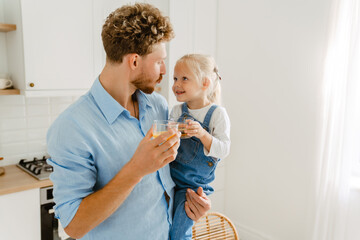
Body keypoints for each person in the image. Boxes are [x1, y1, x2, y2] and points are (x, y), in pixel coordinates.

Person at [46, 4, 211, 240]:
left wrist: (192, 202)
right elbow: (73, 226)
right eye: (158, 62)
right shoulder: (71, 127)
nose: (165, 69)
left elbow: (164, 184)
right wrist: (136, 169)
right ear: (134, 61)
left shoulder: (158, 106)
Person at [169, 54, 231, 240]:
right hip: (170, 178)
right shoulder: (177, 111)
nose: (176, 84)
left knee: (179, 233)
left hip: (191, 187)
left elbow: (223, 149)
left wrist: (202, 134)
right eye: (175, 78)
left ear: (205, 83)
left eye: (184, 79)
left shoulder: (217, 114)